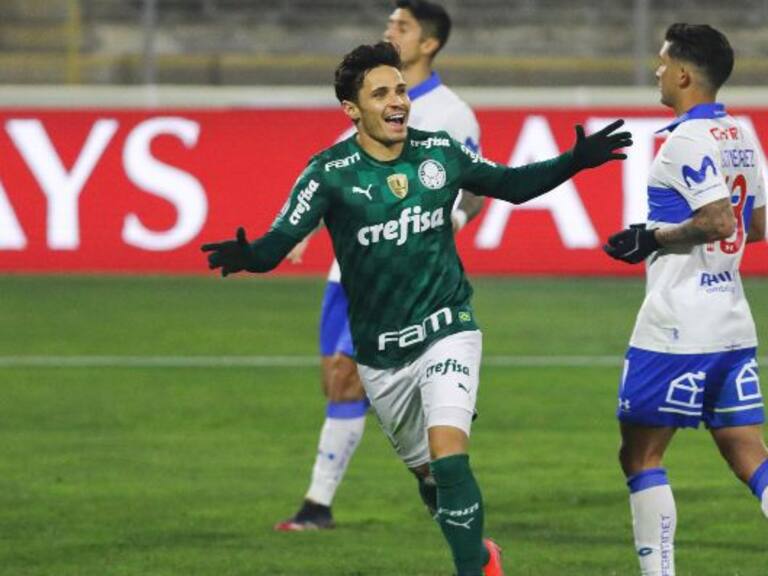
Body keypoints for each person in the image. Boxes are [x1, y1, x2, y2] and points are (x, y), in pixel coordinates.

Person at [204, 41, 631, 576]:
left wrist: (575, 161)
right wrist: (250, 256)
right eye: (380, 93)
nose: (397, 101)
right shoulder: (329, 173)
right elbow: (278, 241)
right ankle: (480, 553)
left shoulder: (440, 151)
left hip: (447, 326)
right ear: (352, 109)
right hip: (381, 354)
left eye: (401, 90)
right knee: (430, 479)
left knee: (449, 458)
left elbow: (511, 185)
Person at [275, 0, 485, 532]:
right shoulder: (368, 97)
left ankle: (319, 504)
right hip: (349, 270)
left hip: (405, 273)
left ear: (429, 43)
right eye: (390, 22)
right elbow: (335, 180)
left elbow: (476, 189)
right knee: (337, 379)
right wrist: (299, 231)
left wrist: (449, 221)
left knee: (353, 378)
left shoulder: (451, 114)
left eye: (402, 26)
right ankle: (425, 478)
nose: (391, 30)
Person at [604, 23, 767, 576]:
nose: (656, 70)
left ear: (682, 74)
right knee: (747, 451)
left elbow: (717, 220)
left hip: (677, 326)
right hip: (732, 322)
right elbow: (755, 226)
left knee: (640, 455)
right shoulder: (739, 134)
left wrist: (651, 238)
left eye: (662, 61)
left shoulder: (686, 142)